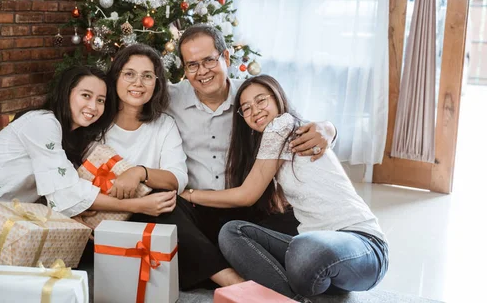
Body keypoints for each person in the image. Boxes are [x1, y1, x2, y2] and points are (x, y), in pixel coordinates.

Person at [0, 66, 175, 303]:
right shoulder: (42, 122)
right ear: (66, 94)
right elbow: (66, 193)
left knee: (17, 291)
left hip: (2, 231)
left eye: (100, 100)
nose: (93, 106)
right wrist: (137, 204)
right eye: (86, 95)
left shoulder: (71, 140)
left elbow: (58, 200)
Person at [139, 24, 338, 290]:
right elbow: (127, 103)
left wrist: (329, 129)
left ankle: (210, 263)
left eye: (209, 60)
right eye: (192, 65)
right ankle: (232, 280)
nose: (202, 72)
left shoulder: (251, 95)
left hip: (250, 207)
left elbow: (296, 123)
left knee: (304, 230)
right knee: (160, 208)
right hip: (197, 208)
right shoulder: (170, 97)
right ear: (184, 70)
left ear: (226, 57)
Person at [183, 75, 389, 299]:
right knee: (233, 232)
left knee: (304, 249)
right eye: (246, 108)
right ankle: (291, 299)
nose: (255, 111)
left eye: (261, 101)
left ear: (277, 98)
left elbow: (246, 195)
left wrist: (188, 194)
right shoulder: (271, 144)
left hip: (363, 246)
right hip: (318, 252)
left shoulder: (282, 125)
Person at [100, 43, 188, 203]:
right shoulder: (97, 119)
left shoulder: (165, 125)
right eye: (129, 74)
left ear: (156, 83)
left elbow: (178, 179)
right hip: (100, 212)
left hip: (151, 212)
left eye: (147, 76)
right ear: (115, 77)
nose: (138, 83)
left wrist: (139, 173)